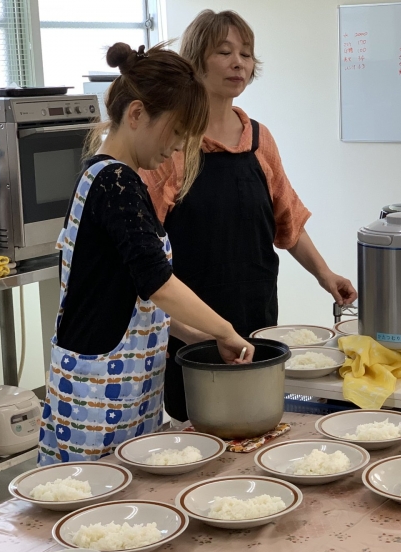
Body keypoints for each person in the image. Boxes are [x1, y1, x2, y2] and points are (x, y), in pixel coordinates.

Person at [38, 42, 254, 465]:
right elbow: (157, 281)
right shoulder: (116, 183)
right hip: (98, 396)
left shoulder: (102, 175)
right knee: (95, 508)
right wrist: (225, 329)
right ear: (136, 114)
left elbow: (122, 290)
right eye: (175, 132)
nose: (177, 148)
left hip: (116, 385)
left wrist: (194, 335)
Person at [142, 10, 358, 422]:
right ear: (196, 61)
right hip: (192, 317)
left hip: (256, 307)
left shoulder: (259, 138)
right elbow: (146, 250)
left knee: (255, 418)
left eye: (246, 53)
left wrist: (324, 275)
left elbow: (287, 219)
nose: (238, 62)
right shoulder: (172, 145)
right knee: (199, 423)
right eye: (224, 52)